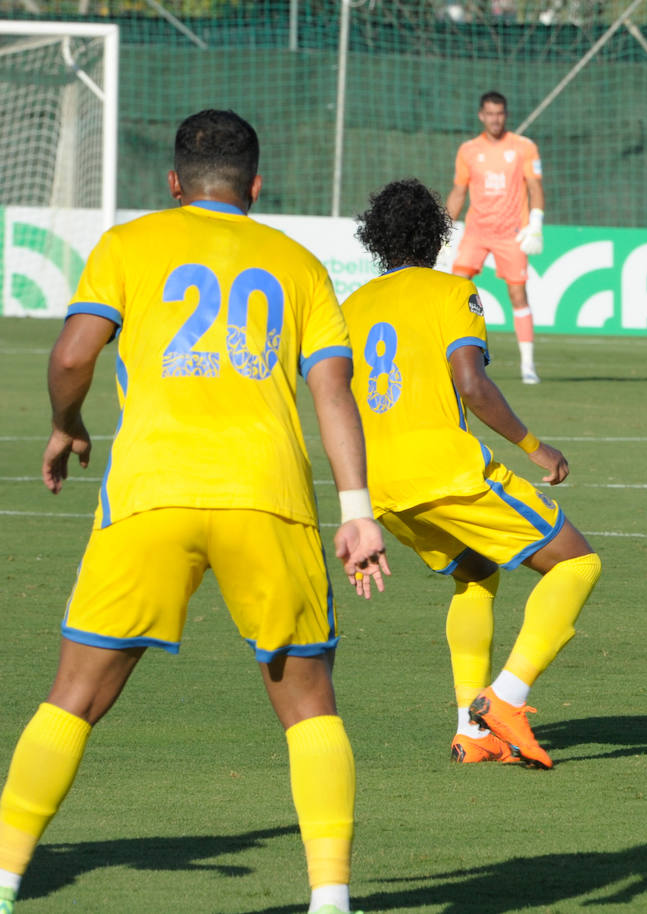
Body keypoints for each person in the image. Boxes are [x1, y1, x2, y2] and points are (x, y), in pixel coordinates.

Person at [0, 110, 390, 914]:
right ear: (256, 185)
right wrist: (358, 511)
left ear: (173, 184)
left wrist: (67, 426)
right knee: (309, 706)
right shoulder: (299, 264)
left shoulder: (127, 245)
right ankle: (331, 901)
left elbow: (74, 353)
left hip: (150, 493)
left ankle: (3, 880)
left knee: (73, 695)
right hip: (268, 497)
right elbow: (333, 392)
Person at [345, 178, 601, 769]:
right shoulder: (453, 291)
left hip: (379, 489)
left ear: (375, 239)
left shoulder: (351, 307)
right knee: (577, 562)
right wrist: (536, 448)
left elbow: (336, 399)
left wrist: (355, 509)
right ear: (438, 235)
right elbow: (471, 384)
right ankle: (505, 701)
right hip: (446, 474)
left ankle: (472, 731)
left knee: (478, 575)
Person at [445, 90, 546, 385]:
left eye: (499, 113)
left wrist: (536, 223)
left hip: (511, 233)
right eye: (489, 113)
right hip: (477, 232)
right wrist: (442, 232)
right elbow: (459, 192)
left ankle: (527, 364)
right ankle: (449, 356)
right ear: (481, 115)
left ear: (506, 115)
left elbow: (535, 186)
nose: (495, 119)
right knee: (456, 290)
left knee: (517, 294)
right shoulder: (468, 150)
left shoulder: (524, 147)